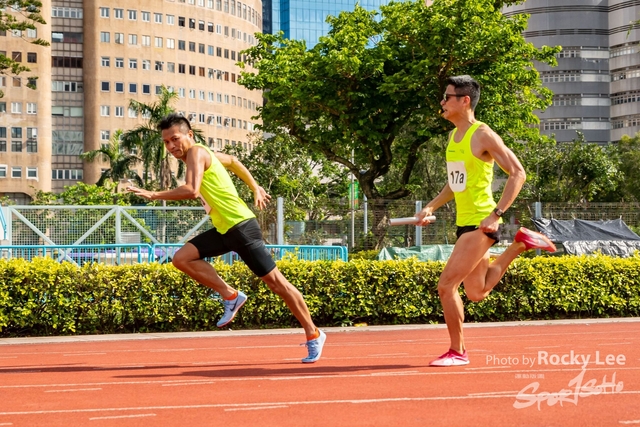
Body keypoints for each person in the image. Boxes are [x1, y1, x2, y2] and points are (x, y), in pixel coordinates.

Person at [127, 113, 326, 363]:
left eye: (175, 139)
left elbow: (192, 190)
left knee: (278, 284)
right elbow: (232, 160)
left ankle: (314, 333)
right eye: (166, 142)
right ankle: (231, 295)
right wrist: (254, 186)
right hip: (224, 230)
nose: (171, 146)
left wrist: (153, 195)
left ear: (190, 135)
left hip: (241, 228)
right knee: (181, 258)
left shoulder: (196, 152)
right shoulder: (204, 154)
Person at [415, 75, 556, 367]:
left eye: (447, 97)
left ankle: (457, 352)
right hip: (466, 222)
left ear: (464, 101)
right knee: (477, 292)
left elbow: (518, 173)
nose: (442, 102)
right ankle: (519, 244)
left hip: (481, 223)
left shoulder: (482, 134)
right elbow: (455, 184)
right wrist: (430, 206)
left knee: (446, 287)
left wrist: (496, 215)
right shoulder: (453, 138)